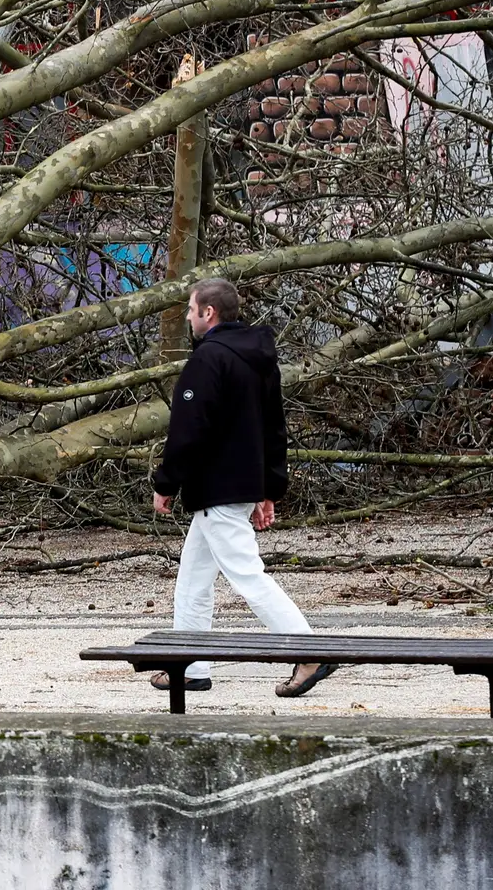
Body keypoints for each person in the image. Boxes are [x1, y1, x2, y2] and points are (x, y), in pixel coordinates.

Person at [151, 278, 334, 698]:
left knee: (248, 575)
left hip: (217, 487)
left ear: (208, 313)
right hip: (237, 486)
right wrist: (267, 488)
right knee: (193, 580)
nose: (188, 316)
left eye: (191, 309)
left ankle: (309, 650)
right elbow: (274, 429)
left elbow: (188, 430)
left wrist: (167, 483)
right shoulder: (259, 359)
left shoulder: (208, 360)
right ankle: (190, 665)